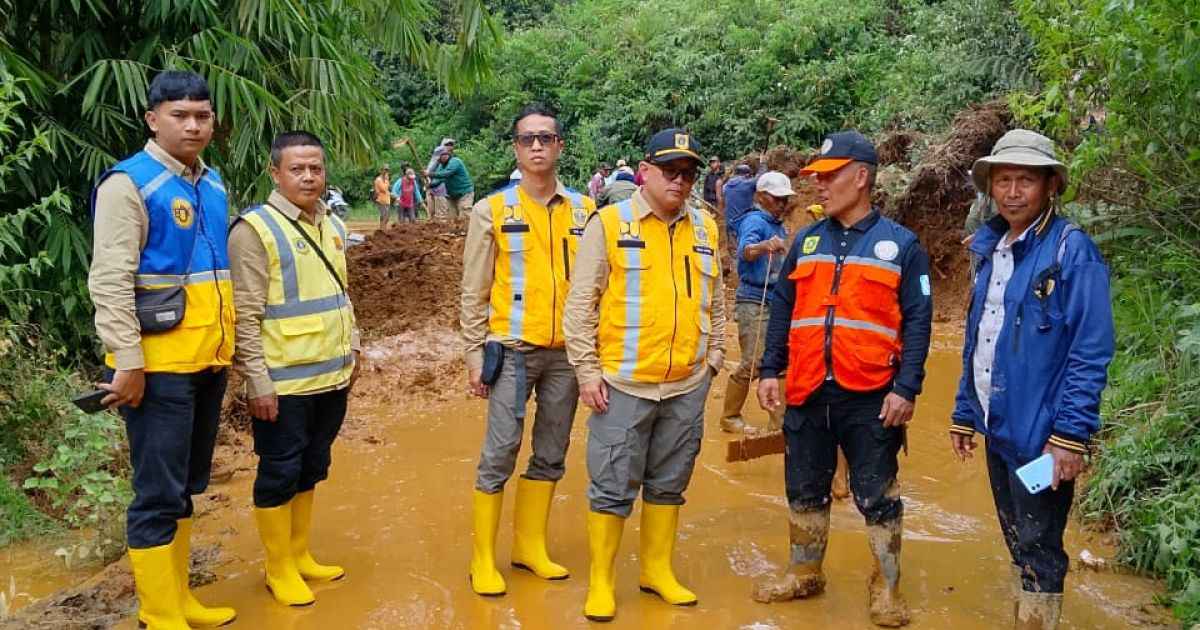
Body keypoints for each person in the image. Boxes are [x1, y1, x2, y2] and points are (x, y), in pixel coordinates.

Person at [754, 130, 932, 628]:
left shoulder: (902, 246)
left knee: (878, 493)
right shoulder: (807, 241)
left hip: (871, 394)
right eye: (817, 177)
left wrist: (907, 388)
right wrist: (770, 370)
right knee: (804, 486)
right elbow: (784, 308)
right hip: (808, 387)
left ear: (861, 177)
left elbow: (919, 321)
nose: (820, 186)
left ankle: (886, 584)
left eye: (830, 177)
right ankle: (804, 572)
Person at [89, 70, 237, 629]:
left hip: (207, 361)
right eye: (180, 115)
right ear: (153, 120)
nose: (193, 125)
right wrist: (127, 362)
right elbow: (110, 280)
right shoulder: (130, 184)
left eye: (203, 115)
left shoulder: (212, 185)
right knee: (156, 494)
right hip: (156, 369)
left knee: (186, 487)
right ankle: (159, 613)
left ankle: (180, 599)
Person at [950, 130, 1114, 630]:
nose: (1013, 192)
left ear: (1050, 187)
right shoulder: (993, 249)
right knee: (1018, 536)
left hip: (1043, 440)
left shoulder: (1071, 251)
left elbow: (1090, 349)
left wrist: (1069, 437)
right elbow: (980, 336)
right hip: (999, 431)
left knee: (1039, 544)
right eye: (1003, 181)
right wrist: (964, 411)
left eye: (1026, 180)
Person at [565, 128, 725, 622]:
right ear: (645, 172)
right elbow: (581, 304)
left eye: (689, 173)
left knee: (670, 483)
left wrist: (714, 359)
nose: (680, 181)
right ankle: (602, 581)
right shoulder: (610, 224)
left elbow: (716, 301)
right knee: (612, 485)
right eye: (670, 171)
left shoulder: (706, 228)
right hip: (622, 384)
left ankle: (657, 571)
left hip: (686, 385)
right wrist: (587, 371)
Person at [460, 103, 596, 597]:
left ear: (560, 146)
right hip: (512, 349)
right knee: (500, 451)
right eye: (527, 139)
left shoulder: (585, 210)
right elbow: (474, 288)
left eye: (545, 138)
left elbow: (599, 284)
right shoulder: (491, 210)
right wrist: (474, 353)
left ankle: (528, 547)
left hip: (567, 355)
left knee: (552, 451)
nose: (536, 146)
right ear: (515, 148)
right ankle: (482, 558)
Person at [228, 131, 362, 607]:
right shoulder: (254, 230)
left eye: (316, 168)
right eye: (297, 169)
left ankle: (300, 553)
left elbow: (341, 296)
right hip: (283, 383)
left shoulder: (332, 224)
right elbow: (245, 315)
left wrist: (353, 350)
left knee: (312, 465)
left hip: (332, 375)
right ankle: (278, 567)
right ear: (275, 173)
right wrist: (256, 381)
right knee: (279, 472)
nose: (308, 177)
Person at [719, 171, 793, 434]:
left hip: (776, 300)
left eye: (785, 199)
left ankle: (780, 422)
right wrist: (765, 246)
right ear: (761, 197)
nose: (783, 204)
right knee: (754, 361)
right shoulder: (755, 221)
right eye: (777, 198)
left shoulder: (778, 225)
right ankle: (730, 416)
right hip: (753, 299)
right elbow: (745, 252)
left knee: (778, 359)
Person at [429, 145, 475, 220]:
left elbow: (446, 173)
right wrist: (430, 185)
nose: (437, 160)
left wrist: (429, 174)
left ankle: (468, 227)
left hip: (464, 194)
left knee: (464, 216)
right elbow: (439, 179)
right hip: (452, 196)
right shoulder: (442, 166)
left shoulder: (455, 161)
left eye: (438, 157)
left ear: (445, 155)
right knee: (451, 219)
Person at [721, 163, 758, 243]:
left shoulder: (726, 186)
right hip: (742, 224)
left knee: (734, 247)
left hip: (730, 223)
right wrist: (763, 163)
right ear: (747, 175)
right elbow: (761, 178)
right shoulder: (747, 184)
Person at [425, 139, 453, 218]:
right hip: (432, 187)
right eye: (448, 144)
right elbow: (430, 170)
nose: (450, 146)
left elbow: (443, 175)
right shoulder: (439, 153)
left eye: (451, 144)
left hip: (440, 189)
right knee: (432, 213)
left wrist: (431, 183)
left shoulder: (450, 160)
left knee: (440, 214)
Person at [373, 166, 391, 230]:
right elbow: (383, 189)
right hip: (380, 200)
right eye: (385, 170)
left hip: (387, 200)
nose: (386, 171)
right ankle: (382, 228)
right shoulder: (378, 180)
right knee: (384, 215)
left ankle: (383, 228)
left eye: (387, 170)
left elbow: (387, 189)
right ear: (381, 171)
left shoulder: (385, 180)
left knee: (386, 216)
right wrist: (387, 180)